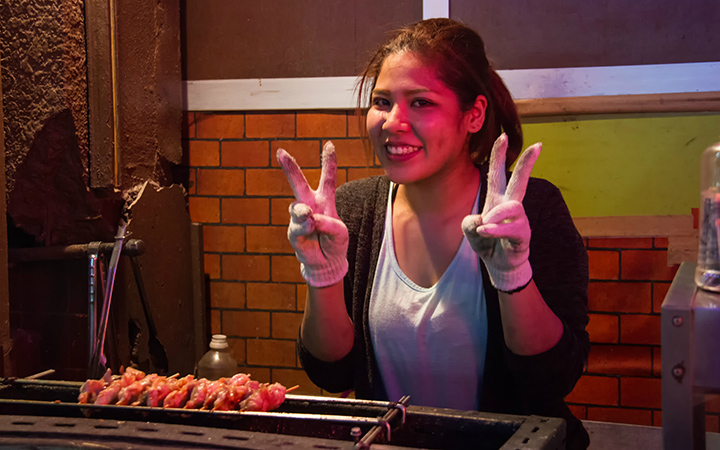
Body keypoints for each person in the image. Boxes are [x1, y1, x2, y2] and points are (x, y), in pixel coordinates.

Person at [276, 18, 590, 450]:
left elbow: (552, 379)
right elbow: (331, 373)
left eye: (421, 103)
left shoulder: (531, 210)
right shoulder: (352, 210)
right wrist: (323, 276)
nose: (392, 123)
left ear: (473, 114)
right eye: (382, 102)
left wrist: (514, 277)